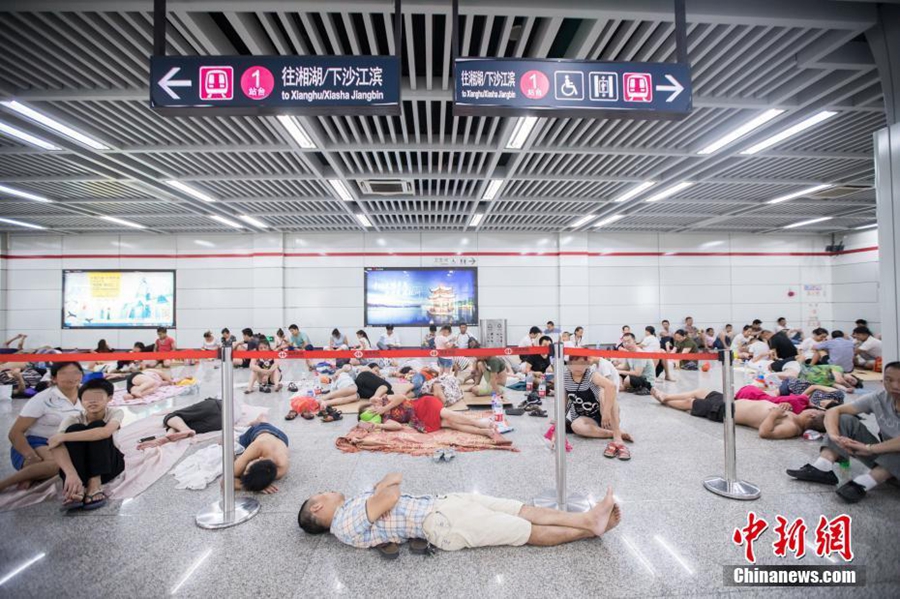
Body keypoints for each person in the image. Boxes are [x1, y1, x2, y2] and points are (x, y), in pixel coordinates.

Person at [298, 473, 621, 552]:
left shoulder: (355, 506)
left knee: (521, 509)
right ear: (318, 507)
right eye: (322, 494)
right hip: (442, 523)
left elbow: (393, 479)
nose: (328, 491)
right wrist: (378, 492)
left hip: (443, 504)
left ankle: (587, 519)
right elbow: (392, 493)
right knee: (522, 530)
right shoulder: (344, 521)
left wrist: (377, 492)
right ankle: (588, 529)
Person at [786, 362, 900, 503]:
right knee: (844, 419)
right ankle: (823, 467)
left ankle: (863, 483)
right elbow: (834, 410)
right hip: (885, 460)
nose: (895, 386)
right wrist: (835, 437)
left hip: (888, 456)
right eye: (889, 379)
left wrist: (869, 448)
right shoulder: (879, 398)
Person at [0, 362, 84, 493]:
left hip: (62, 442)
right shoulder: (43, 398)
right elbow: (15, 433)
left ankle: (31, 475)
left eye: (75, 372)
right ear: (54, 378)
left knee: (66, 465)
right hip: (34, 442)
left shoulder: (85, 394)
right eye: (64, 373)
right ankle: (4, 484)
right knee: (57, 465)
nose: (71, 377)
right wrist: (31, 456)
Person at [50, 378, 124, 510]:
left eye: (98, 397)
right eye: (87, 397)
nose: (92, 401)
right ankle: (78, 487)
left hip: (108, 466)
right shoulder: (72, 419)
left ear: (109, 398)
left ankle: (94, 483)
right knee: (75, 428)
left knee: (98, 425)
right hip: (80, 470)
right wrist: (71, 474)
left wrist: (63, 436)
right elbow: (55, 445)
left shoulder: (115, 413)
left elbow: (105, 432)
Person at [650, 387, 825, 439]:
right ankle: (667, 396)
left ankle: (666, 401)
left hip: (728, 412)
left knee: (691, 404)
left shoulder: (792, 427)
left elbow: (765, 432)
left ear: (811, 416)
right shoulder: (794, 417)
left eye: (812, 410)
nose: (810, 408)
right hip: (733, 401)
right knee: (701, 391)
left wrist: (774, 415)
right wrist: (784, 406)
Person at [564, 354, 632, 459]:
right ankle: (612, 433)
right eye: (574, 363)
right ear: (569, 364)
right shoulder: (565, 377)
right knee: (576, 426)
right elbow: (564, 399)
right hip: (585, 417)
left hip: (604, 413)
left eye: (582, 363)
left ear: (587, 365)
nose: (578, 367)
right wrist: (559, 419)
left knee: (606, 392)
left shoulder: (590, 374)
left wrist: (605, 413)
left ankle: (617, 436)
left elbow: (611, 386)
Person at [363, 393, 506, 441]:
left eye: (372, 407)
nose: (373, 408)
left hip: (423, 404)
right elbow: (398, 426)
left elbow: (401, 397)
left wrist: (382, 406)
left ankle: (479, 423)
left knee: (448, 414)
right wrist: (378, 425)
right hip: (419, 420)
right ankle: (484, 432)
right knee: (451, 424)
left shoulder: (385, 400)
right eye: (371, 409)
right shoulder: (385, 419)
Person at [234, 414, 289, 494]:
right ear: (260, 458)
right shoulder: (258, 447)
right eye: (246, 468)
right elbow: (225, 482)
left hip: (279, 437)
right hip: (262, 432)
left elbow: (227, 481)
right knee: (259, 424)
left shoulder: (281, 468)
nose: (244, 471)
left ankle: (262, 420)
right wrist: (252, 486)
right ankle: (261, 419)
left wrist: (255, 486)